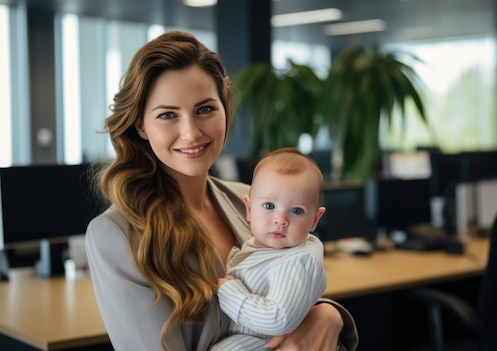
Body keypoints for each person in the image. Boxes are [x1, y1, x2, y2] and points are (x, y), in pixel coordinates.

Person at [85, 30, 358, 351]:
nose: (191, 133)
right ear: (141, 126)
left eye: (205, 109)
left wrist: (328, 314)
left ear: (224, 109)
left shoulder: (249, 198)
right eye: (168, 115)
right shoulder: (116, 234)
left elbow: (289, 294)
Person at [211, 148, 328, 351]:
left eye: (297, 211)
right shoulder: (260, 245)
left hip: (263, 343)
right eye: (268, 206)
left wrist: (230, 292)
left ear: (315, 219)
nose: (280, 220)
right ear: (249, 209)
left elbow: (279, 320)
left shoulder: (300, 260)